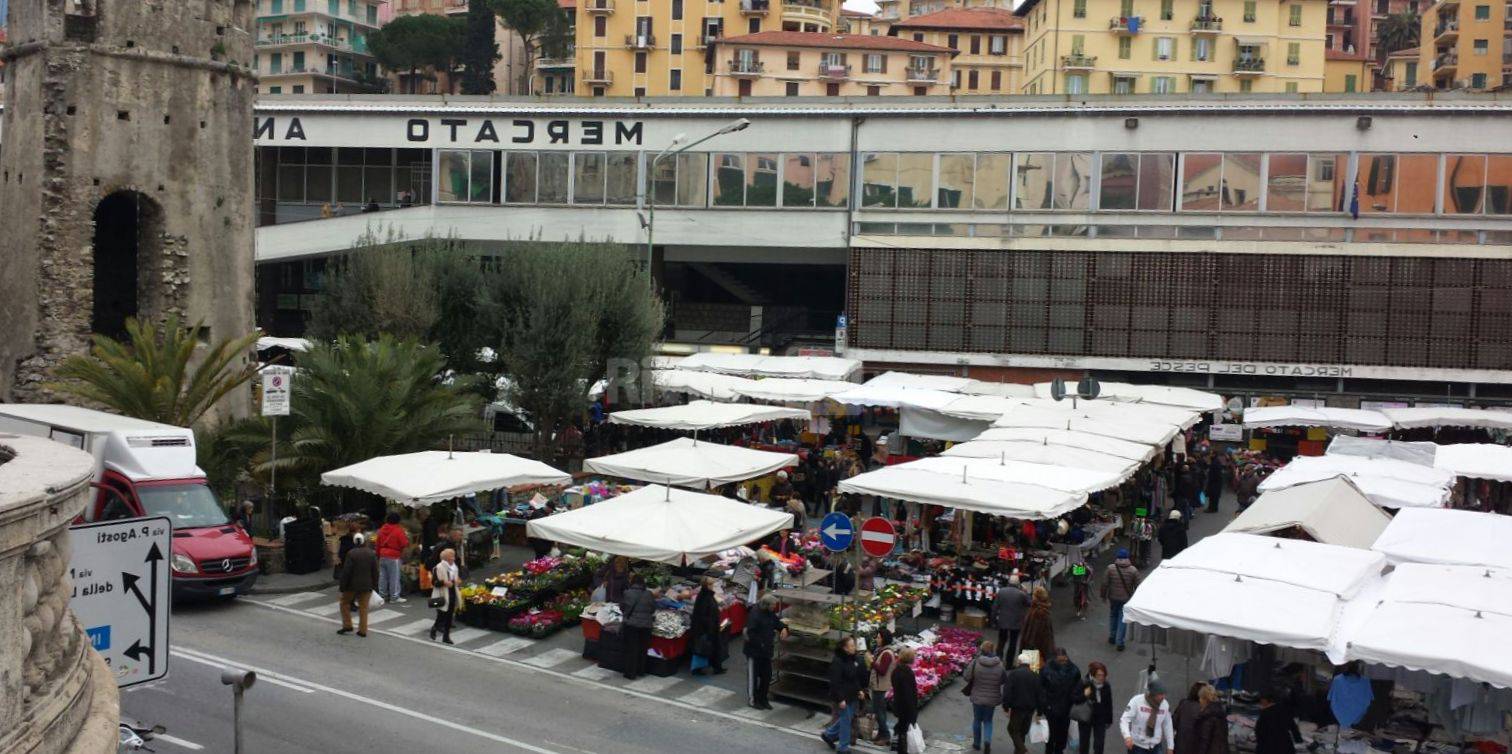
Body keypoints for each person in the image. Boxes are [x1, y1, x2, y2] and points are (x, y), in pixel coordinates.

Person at [822, 636, 867, 753]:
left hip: (852, 694)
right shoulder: (838, 661)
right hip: (843, 696)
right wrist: (841, 699)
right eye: (852, 646)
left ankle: (828, 734)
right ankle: (843, 747)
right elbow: (835, 682)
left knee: (846, 718)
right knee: (846, 720)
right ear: (845, 648)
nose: (854, 647)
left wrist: (859, 690)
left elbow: (854, 678)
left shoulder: (852, 659)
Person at [744, 595, 789, 710]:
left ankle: (763, 698)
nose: (775, 607)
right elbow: (751, 633)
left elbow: (776, 622)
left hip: (766, 651)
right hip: (754, 652)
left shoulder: (769, 613)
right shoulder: (754, 615)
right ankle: (753, 700)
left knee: (767, 676)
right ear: (767, 605)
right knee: (753, 677)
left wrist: (783, 628)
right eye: (773, 605)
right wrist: (762, 644)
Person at [964, 639, 1006, 753]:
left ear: (982, 650)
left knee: (977, 720)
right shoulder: (1000, 665)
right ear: (993, 650)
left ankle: (977, 743)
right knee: (988, 721)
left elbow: (967, 677)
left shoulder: (976, 662)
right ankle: (987, 741)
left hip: (977, 697)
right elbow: (1003, 680)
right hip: (992, 699)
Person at [1041, 648, 1083, 754]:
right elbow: (1041, 687)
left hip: (1066, 708)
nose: (1063, 663)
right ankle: (1050, 750)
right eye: (1060, 661)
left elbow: (1078, 688)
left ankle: (1058, 750)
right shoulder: (1046, 670)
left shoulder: (1074, 670)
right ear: (1055, 659)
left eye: (1064, 660)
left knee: (1062, 735)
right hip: (1051, 708)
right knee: (1051, 734)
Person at [336, 533, 378, 637]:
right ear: (364, 541)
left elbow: (347, 572)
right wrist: (374, 585)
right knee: (363, 607)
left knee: (344, 603)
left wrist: (342, 586)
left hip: (351, 586)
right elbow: (375, 571)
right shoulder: (371, 553)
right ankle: (362, 630)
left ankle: (347, 625)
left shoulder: (351, 553)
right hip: (367, 585)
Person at [1102, 549, 1143, 651]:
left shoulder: (1110, 568)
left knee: (1113, 615)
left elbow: (1104, 584)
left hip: (1113, 598)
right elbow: (1139, 586)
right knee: (1122, 619)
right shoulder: (1133, 570)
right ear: (1127, 558)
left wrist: (1103, 596)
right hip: (1126, 599)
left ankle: (1112, 636)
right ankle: (1120, 642)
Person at [1119, 680, 1174, 754]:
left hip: (1156, 746)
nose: (1163, 697)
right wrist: (1127, 737)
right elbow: (1124, 719)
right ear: (1152, 694)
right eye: (1160, 694)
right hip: (1138, 746)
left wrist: (1170, 747)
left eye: (1164, 694)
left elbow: (1168, 725)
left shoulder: (1165, 705)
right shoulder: (1137, 701)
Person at [619, 573, 656, 680]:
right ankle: (641, 670)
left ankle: (630, 673)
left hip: (631, 624)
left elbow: (622, 607)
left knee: (632, 649)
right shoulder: (649, 594)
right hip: (646, 625)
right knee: (642, 648)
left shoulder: (627, 593)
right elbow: (653, 609)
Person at [1003, 651, 1041, 754]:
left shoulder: (1014, 674)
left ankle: (1023, 751)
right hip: (1030, 709)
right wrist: (1040, 711)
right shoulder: (1035, 676)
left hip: (1018, 708)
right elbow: (1040, 694)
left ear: (1020, 662)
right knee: (1022, 732)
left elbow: (1007, 692)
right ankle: (1018, 751)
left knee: (1012, 729)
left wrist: (1006, 707)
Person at [689, 576, 727, 676]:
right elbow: (702, 614)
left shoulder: (707, 595)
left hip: (710, 626)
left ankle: (716, 667)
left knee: (711, 648)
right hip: (706, 628)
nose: (712, 586)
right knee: (703, 648)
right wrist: (709, 626)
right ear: (706, 585)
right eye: (711, 584)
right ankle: (699, 669)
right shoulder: (704, 596)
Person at [867, 629, 897, 748]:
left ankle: (885, 736)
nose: (877, 639)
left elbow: (882, 671)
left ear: (884, 639)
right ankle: (880, 733)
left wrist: (872, 662)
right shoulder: (881, 651)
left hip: (881, 687)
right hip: (877, 686)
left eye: (879, 637)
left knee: (879, 712)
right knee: (878, 711)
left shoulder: (886, 654)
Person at [1078, 662, 1115, 754]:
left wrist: (1109, 720)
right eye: (1099, 675)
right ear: (1093, 674)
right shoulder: (1084, 683)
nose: (1101, 678)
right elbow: (1074, 698)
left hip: (1100, 718)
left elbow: (1108, 703)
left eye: (1103, 675)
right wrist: (1084, 695)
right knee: (1084, 743)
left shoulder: (1106, 685)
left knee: (1099, 744)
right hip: (1086, 717)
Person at [374, 511, 410, 604]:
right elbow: (404, 544)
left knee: (382, 577)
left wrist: (378, 555)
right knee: (394, 577)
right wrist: (404, 556)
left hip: (382, 554)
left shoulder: (381, 529)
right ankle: (394, 597)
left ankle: (382, 595)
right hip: (394, 556)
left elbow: (377, 544)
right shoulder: (399, 530)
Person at [993, 576, 1031, 662]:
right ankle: (1009, 663)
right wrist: (1026, 592)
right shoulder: (1021, 594)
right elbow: (1029, 603)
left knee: (1001, 642)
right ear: (1018, 584)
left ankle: (998, 660)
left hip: (1003, 621)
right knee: (1013, 643)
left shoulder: (1001, 591)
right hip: (1016, 623)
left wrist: (994, 621)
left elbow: (995, 607)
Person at [891, 647, 920, 754]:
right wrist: (913, 712)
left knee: (901, 726)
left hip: (898, 704)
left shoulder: (896, 670)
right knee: (904, 729)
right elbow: (909, 695)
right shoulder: (907, 673)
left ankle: (898, 745)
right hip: (906, 707)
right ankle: (901, 749)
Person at [429, 547, 460, 643]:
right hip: (442, 594)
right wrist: (444, 583)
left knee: (449, 616)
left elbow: (455, 579)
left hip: (452, 592)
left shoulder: (454, 567)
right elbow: (434, 582)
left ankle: (446, 636)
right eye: (452, 556)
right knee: (442, 615)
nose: (454, 558)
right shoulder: (438, 568)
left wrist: (456, 581)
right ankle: (434, 628)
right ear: (446, 558)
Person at [1019, 586, 1056, 663]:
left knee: (1034, 671)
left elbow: (1034, 634)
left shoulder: (1038, 612)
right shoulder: (1042, 610)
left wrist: (1029, 647)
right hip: (1038, 648)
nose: (1032, 597)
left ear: (1037, 597)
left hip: (1034, 649)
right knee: (1035, 670)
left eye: (1033, 595)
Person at [1192, 686, 1229, 754]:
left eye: (1200, 697)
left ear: (1205, 699)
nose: (1199, 700)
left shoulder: (1207, 717)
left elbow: (1204, 741)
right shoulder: (1220, 713)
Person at [1172, 683, 1205, 754]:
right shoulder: (1205, 708)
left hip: (1180, 746)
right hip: (1196, 747)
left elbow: (1174, 722)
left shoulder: (1183, 703)